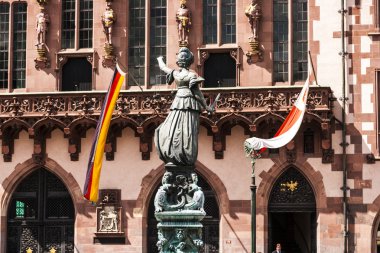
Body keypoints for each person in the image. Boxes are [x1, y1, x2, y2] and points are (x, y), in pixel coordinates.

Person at [154, 47, 214, 166]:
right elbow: (197, 93)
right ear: (190, 61)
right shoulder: (191, 76)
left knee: (174, 127)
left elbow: (163, 67)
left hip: (178, 102)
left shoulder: (176, 74)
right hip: (189, 103)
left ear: (178, 62)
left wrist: (159, 59)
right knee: (188, 129)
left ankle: (175, 150)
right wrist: (207, 107)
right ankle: (185, 152)